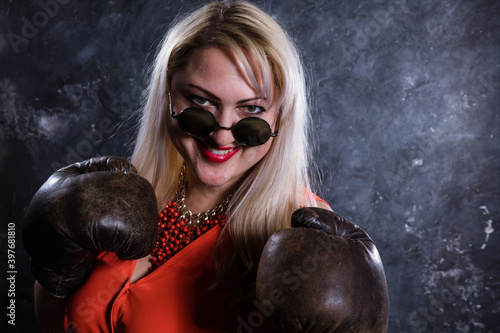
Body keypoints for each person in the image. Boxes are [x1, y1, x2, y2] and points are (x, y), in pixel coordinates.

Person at [22, 1, 390, 332]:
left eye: (252, 110)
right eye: (201, 101)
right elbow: (60, 323)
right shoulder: (122, 193)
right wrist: (55, 271)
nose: (222, 135)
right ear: (168, 96)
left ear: (282, 118)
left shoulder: (304, 236)